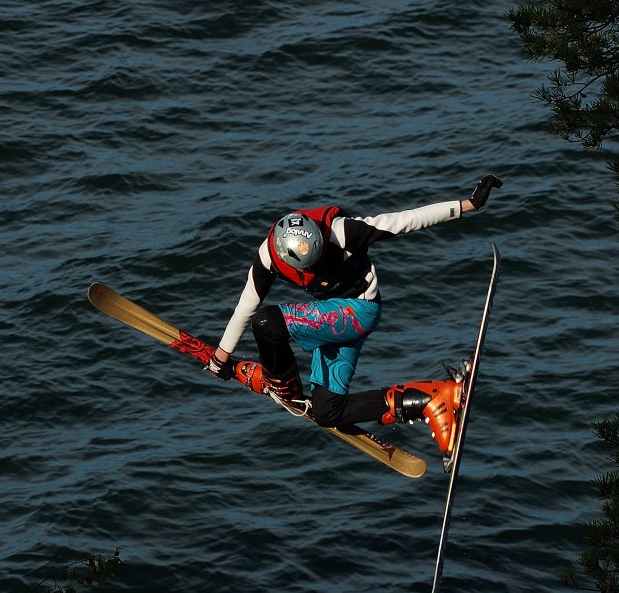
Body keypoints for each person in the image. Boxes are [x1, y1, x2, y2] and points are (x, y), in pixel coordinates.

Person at [207, 175, 502, 456]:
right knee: (327, 412)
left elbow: (405, 221)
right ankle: (430, 399)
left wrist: (468, 204)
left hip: (359, 310)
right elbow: (245, 306)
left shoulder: (342, 231)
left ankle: (283, 386)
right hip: (333, 317)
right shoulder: (268, 257)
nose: (315, 269)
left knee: (268, 323)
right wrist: (221, 356)